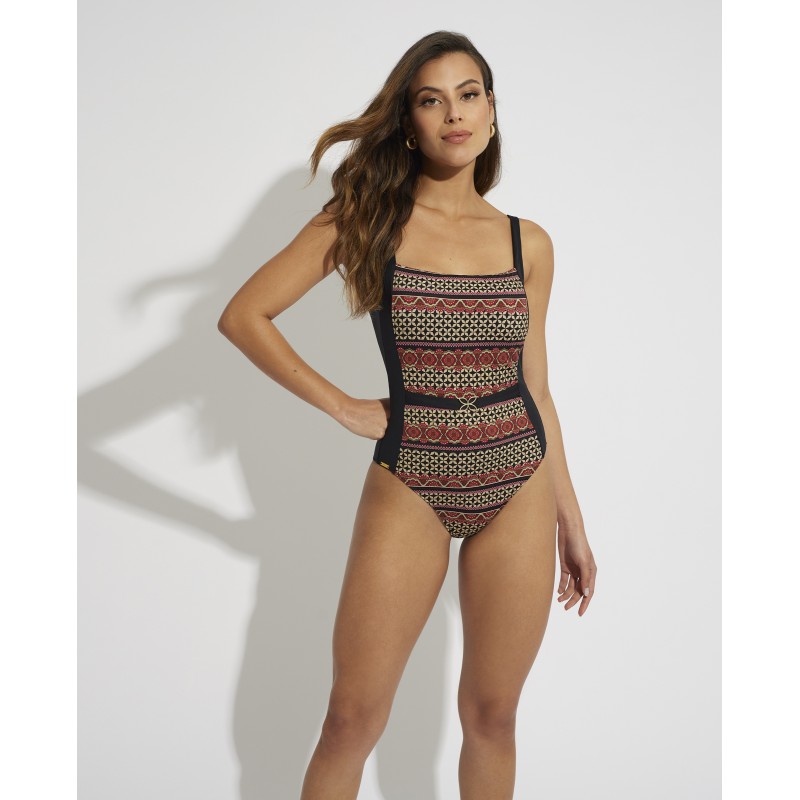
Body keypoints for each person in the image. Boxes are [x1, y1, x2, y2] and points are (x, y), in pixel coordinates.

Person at [218, 30, 597, 800]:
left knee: (492, 717)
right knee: (350, 720)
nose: (454, 114)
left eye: (469, 95)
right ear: (409, 122)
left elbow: (537, 387)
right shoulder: (366, 218)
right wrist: (343, 407)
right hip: (412, 477)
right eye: (431, 100)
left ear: (492, 110)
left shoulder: (528, 244)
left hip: (518, 480)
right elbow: (243, 315)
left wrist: (572, 519)